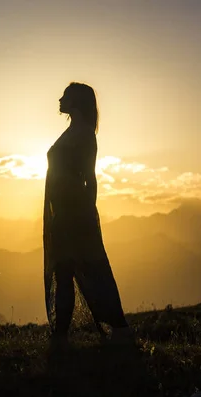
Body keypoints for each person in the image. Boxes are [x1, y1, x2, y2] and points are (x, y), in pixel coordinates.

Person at [43, 82, 132, 346]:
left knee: (92, 269)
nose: (60, 99)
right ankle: (61, 334)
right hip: (63, 213)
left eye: (65, 96)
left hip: (75, 213)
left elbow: (89, 179)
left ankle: (116, 326)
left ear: (76, 101)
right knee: (65, 271)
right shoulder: (71, 131)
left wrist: (86, 214)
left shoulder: (84, 135)